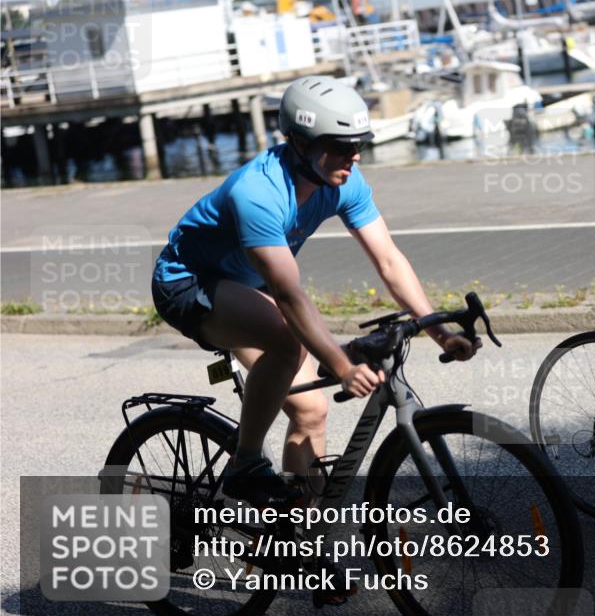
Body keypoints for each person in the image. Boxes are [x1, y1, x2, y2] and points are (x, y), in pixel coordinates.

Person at [151, 76, 480, 509]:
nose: (354, 155)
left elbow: (389, 260)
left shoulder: (344, 181)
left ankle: (298, 534)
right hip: (188, 282)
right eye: (341, 146)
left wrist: (439, 332)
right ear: (302, 144)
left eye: (358, 144)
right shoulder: (258, 193)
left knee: (311, 411)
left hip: (247, 284)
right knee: (288, 341)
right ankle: (245, 463)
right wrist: (342, 366)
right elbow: (289, 296)